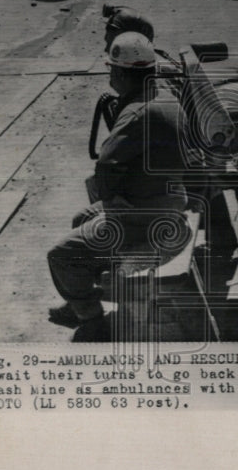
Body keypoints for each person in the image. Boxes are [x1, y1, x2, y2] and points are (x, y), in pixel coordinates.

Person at [46, 32, 189, 336]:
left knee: (60, 255)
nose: (110, 74)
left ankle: (91, 319)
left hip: (146, 216)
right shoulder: (165, 98)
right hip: (168, 201)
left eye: (112, 69)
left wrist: (112, 202)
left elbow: (106, 165)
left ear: (122, 73)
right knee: (82, 218)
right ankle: (80, 299)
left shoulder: (137, 111)